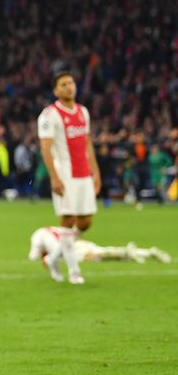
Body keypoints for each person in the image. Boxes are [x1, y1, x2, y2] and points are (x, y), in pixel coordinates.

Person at [37, 69, 101, 284]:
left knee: (85, 222)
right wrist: (54, 177)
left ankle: (54, 257)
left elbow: (87, 143)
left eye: (71, 83)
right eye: (63, 84)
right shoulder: (49, 115)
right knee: (67, 220)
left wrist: (96, 171)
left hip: (83, 173)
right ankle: (74, 272)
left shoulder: (83, 112)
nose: (69, 87)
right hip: (65, 172)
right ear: (56, 90)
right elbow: (46, 148)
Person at [28, 226, 172, 282]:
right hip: (77, 244)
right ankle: (146, 252)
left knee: (102, 255)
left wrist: (48, 259)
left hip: (75, 250)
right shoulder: (54, 231)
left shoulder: (39, 237)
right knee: (103, 252)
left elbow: (36, 257)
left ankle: (130, 252)